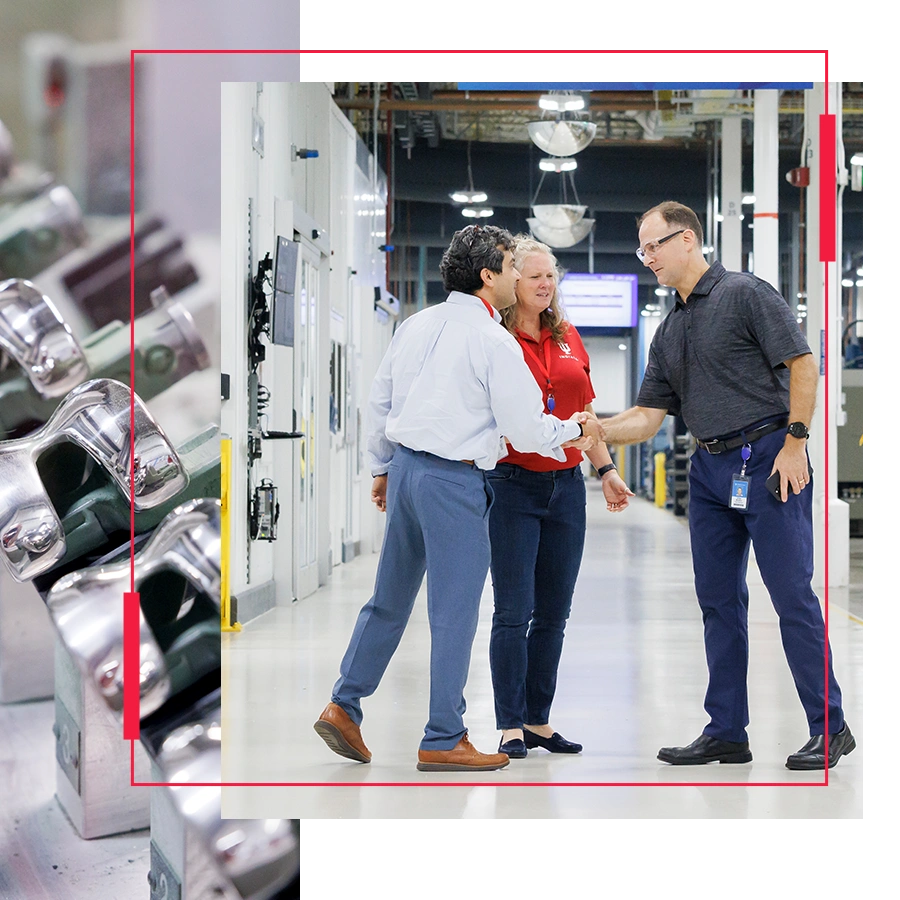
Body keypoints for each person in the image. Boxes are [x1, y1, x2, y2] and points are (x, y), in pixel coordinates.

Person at [314, 224, 600, 772]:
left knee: (389, 600)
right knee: (455, 612)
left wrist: (382, 468)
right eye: (514, 268)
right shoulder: (493, 341)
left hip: (406, 473)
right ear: (489, 276)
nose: (522, 277)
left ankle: (343, 705)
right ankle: (444, 736)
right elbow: (526, 428)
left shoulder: (416, 325)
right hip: (454, 481)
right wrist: (575, 428)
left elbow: (381, 401)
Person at [595, 201, 853, 770]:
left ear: (686, 239)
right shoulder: (670, 329)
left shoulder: (745, 294)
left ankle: (829, 726)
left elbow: (803, 365)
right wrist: (597, 429)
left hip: (767, 458)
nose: (648, 258)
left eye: (653, 245)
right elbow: (647, 416)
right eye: (643, 250)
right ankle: (727, 731)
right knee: (718, 602)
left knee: (791, 596)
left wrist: (795, 443)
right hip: (710, 470)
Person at [488, 237, 634, 759]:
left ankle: (537, 720)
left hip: (567, 489)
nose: (546, 284)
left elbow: (586, 412)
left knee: (554, 612)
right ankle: (508, 723)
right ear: (512, 283)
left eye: (551, 276)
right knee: (513, 610)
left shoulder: (568, 335)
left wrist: (608, 471)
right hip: (511, 485)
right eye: (534, 277)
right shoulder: (497, 339)